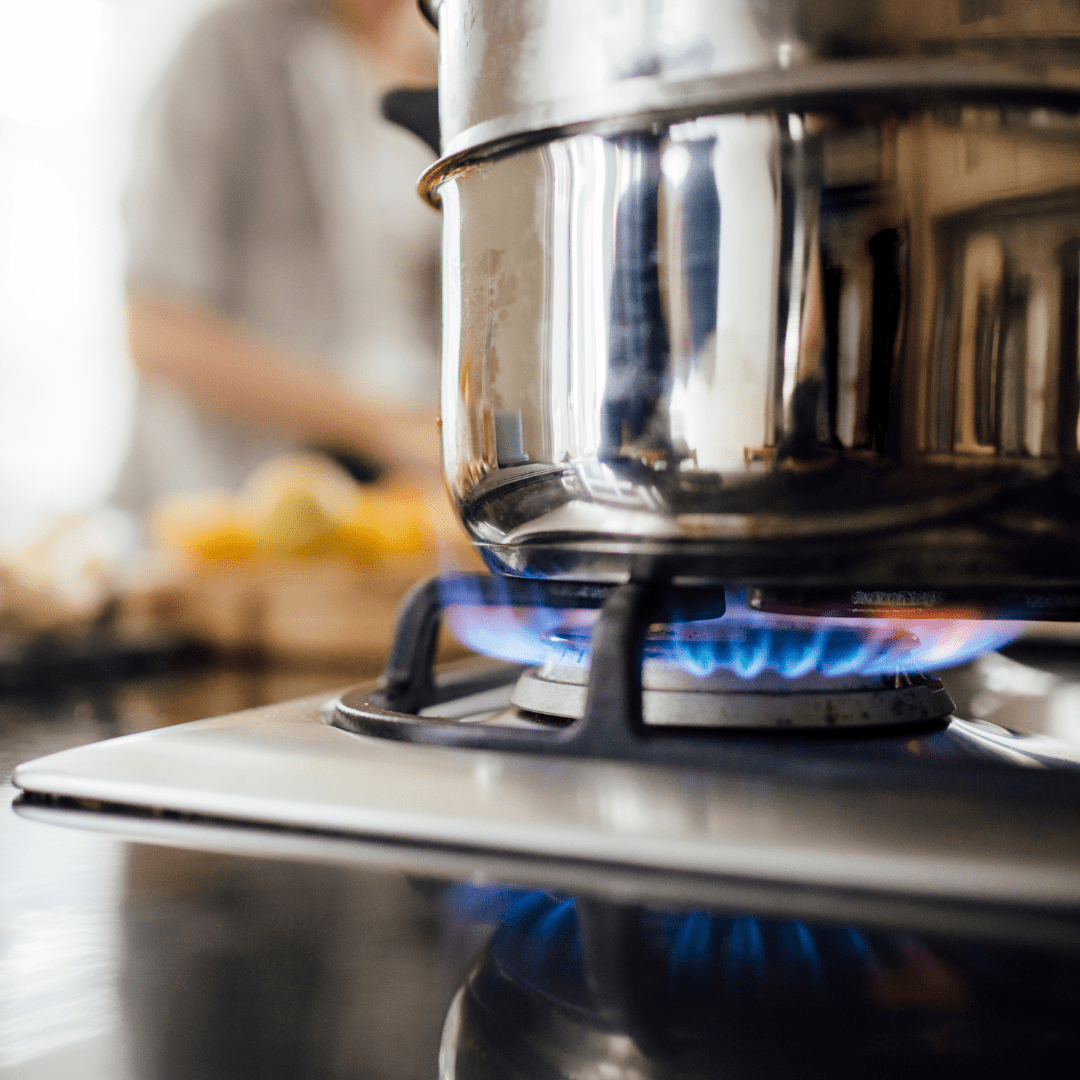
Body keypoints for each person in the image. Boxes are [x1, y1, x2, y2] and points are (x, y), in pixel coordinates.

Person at [116, 0, 441, 512]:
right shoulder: (226, 49)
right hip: (235, 499)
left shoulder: (455, 60)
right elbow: (158, 331)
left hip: (408, 498)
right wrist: (388, 428)